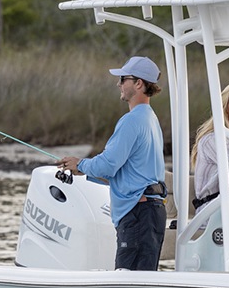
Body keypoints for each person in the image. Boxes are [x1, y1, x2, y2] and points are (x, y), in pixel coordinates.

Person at [57, 55, 167, 271]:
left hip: (138, 215)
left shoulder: (132, 121)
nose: (118, 84)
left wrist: (80, 164)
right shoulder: (151, 119)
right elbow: (128, 169)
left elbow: (108, 165)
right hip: (150, 213)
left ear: (138, 84)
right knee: (142, 285)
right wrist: (84, 170)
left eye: (123, 79)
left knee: (129, 287)